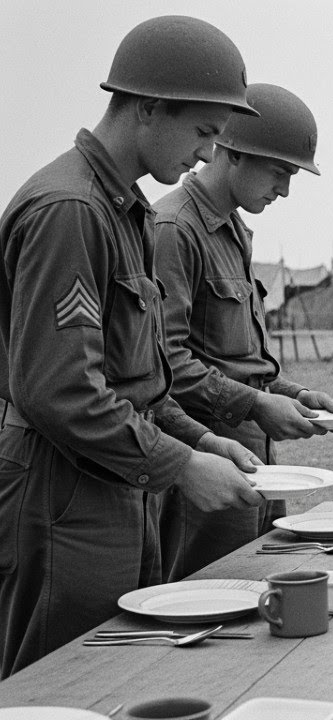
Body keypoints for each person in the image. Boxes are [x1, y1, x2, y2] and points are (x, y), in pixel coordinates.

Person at [0, 16, 264, 678]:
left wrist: (201, 444)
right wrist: (180, 468)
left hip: (114, 482)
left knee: (123, 673)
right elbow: (61, 392)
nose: (207, 155)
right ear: (147, 108)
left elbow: (137, 383)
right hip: (62, 491)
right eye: (204, 132)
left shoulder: (126, 211)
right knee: (61, 683)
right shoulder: (72, 209)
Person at [153, 84, 333, 581]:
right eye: (280, 171)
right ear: (231, 153)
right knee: (209, 600)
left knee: (257, 590)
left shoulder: (233, 229)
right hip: (205, 458)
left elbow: (234, 357)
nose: (284, 189)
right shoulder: (175, 228)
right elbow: (165, 364)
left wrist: (291, 393)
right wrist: (257, 405)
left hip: (254, 454)